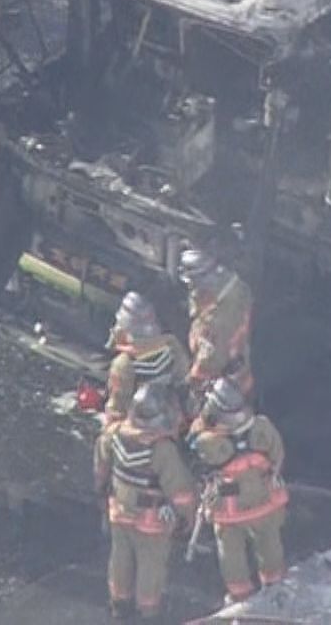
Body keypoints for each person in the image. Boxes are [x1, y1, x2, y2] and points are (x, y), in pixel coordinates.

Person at [95, 382, 197, 622]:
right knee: (150, 566)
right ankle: (148, 612)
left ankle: (119, 604)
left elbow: (101, 469)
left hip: (119, 512)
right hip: (151, 522)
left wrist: (102, 494)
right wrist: (186, 518)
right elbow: (180, 491)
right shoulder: (163, 450)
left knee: (120, 558)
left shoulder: (113, 434)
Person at [188, 379, 288, 606]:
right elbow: (277, 453)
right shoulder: (262, 427)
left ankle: (240, 597)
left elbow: (194, 452)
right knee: (269, 544)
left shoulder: (208, 442)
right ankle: (275, 586)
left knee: (232, 555)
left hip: (229, 511)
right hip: (264, 501)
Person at [177, 246, 254, 409]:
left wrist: (189, 383)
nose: (190, 287)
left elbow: (209, 361)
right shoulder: (233, 286)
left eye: (192, 282)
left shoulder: (216, 323)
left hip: (222, 379)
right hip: (237, 363)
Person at [103, 291, 191, 425]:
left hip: (142, 423)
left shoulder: (124, 364)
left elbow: (118, 408)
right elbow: (184, 375)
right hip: (173, 414)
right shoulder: (170, 343)